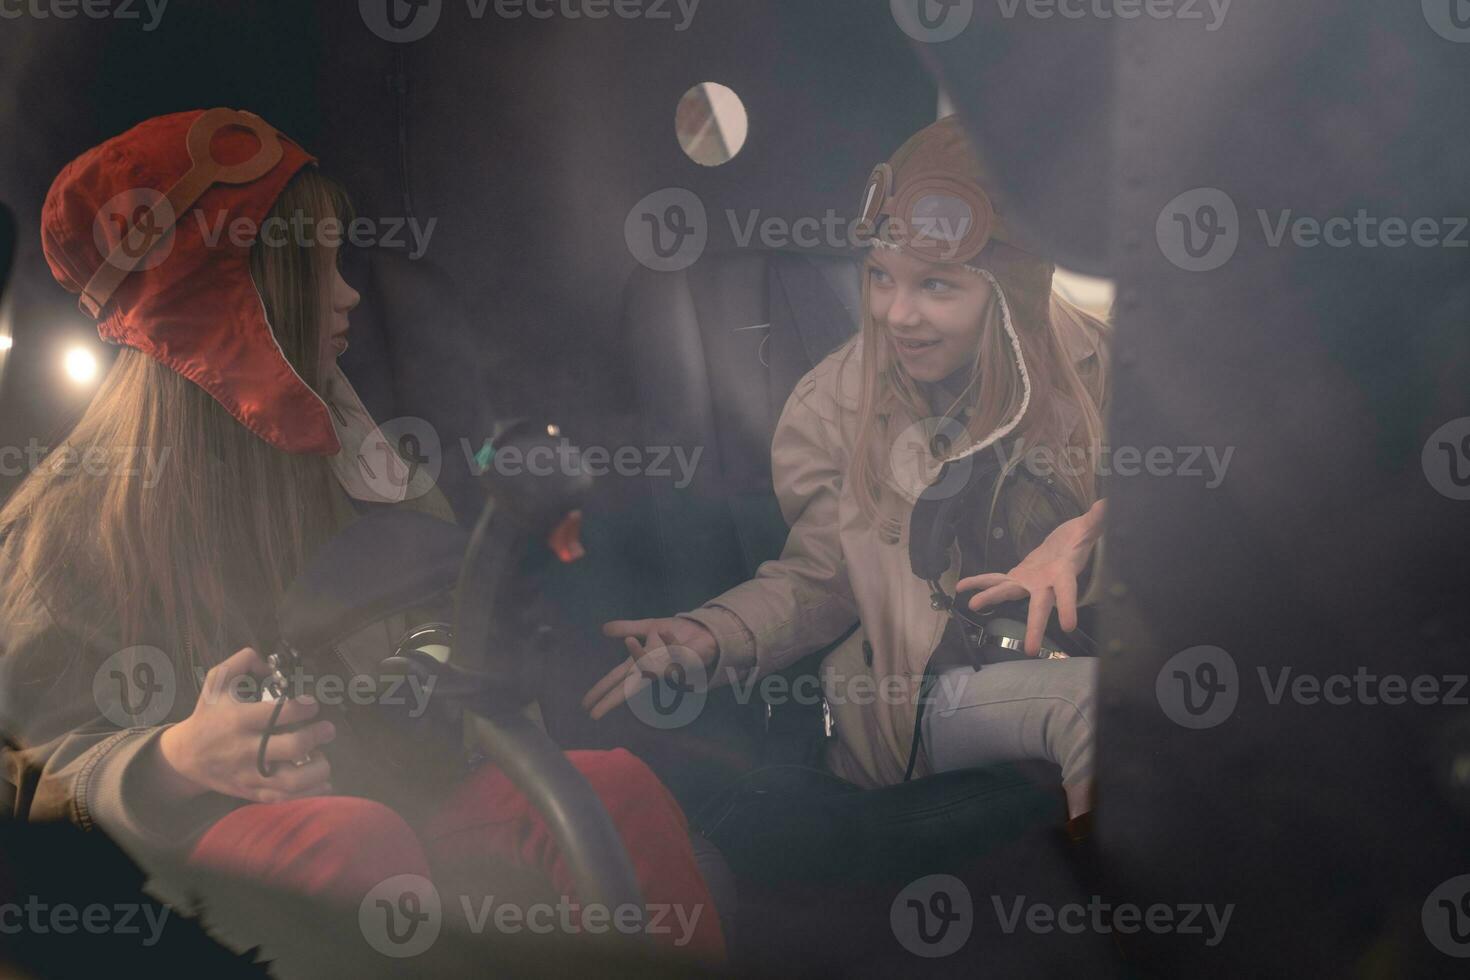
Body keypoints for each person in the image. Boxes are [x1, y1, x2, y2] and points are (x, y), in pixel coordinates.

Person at [0, 109, 723, 961]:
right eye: (318, 267)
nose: (348, 293)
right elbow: (29, 774)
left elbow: (440, 613)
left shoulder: (354, 453)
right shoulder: (71, 522)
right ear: (231, 299)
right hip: (189, 847)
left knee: (616, 794)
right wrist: (179, 757)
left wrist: (448, 665)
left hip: (400, 787)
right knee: (352, 844)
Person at [584, 116, 1111, 824]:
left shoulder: (1096, 362)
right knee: (1092, 711)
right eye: (880, 278)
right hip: (930, 687)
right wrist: (715, 635)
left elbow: (1189, 520)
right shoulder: (839, 400)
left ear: (1007, 297)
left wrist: (1088, 534)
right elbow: (822, 578)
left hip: (1070, 646)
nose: (898, 314)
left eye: (936, 287)